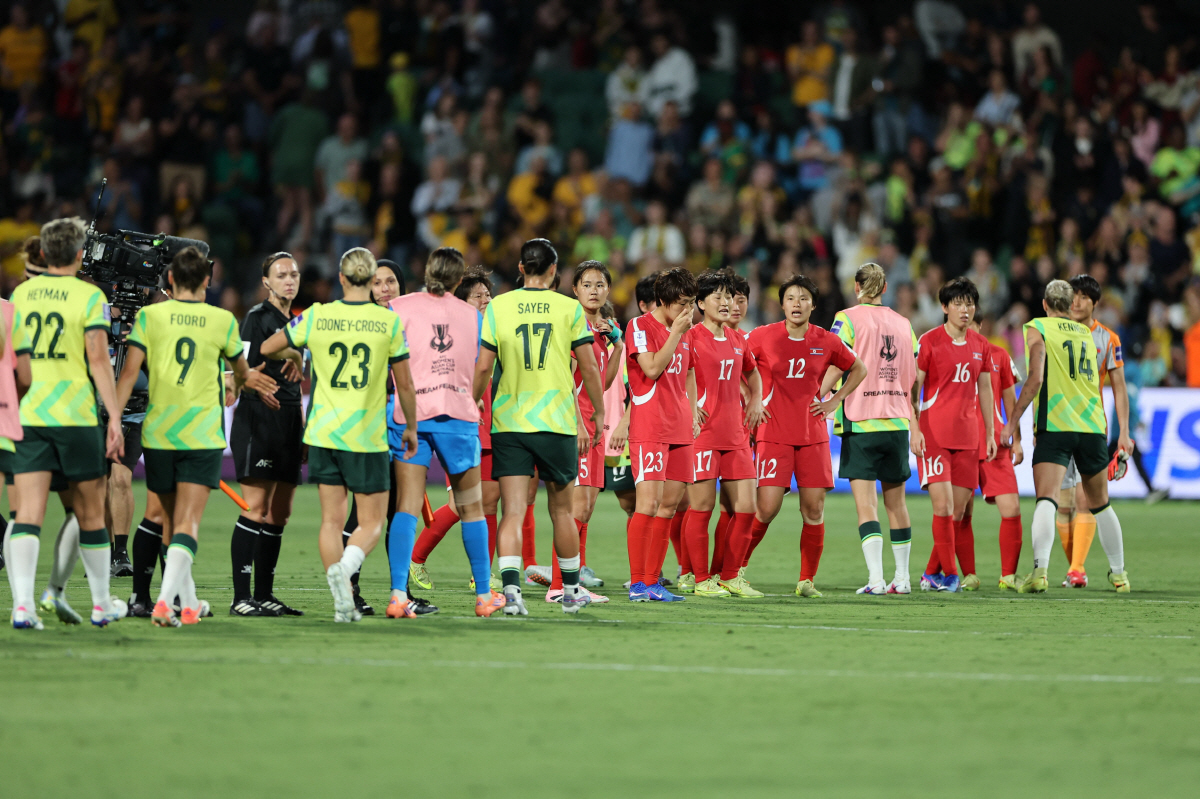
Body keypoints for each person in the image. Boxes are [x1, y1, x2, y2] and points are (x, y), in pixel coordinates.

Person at [115, 247, 276, 627]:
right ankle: (162, 602)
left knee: (161, 517)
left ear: (170, 279)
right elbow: (240, 371)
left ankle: (186, 603)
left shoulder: (150, 317)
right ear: (207, 280)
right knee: (186, 524)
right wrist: (237, 382)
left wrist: (112, 423)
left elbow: (128, 374)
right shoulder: (221, 320)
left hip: (158, 433)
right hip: (201, 434)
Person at [261, 248, 419, 622]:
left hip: (323, 432)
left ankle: (342, 600)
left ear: (343, 278)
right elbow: (406, 385)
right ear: (368, 280)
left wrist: (297, 356)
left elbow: (269, 346)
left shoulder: (317, 316)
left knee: (331, 521)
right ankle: (345, 570)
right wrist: (411, 427)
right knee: (372, 523)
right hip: (366, 434)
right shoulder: (388, 323)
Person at [472, 239, 604, 615]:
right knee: (562, 512)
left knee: (513, 510)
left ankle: (512, 595)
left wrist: (473, 398)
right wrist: (598, 411)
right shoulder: (568, 308)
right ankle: (572, 592)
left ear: (520, 267)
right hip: (557, 422)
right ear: (553, 270)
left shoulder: (498, 307)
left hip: (510, 422)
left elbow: (483, 366)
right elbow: (590, 366)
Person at [8, 218, 124, 630]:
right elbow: (97, 359)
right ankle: (99, 604)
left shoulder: (21, 294)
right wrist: (112, 416)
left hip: (31, 415)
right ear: (78, 254)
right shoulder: (89, 296)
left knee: (28, 514)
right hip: (74, 415)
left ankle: (21, 605)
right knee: (90, 513)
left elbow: (17, 361)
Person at [386, 248, 504, 618]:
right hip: (457, 415)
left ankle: (397, 595)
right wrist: (472, 399)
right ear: (457, 280)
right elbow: (480, 365)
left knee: (406, 506)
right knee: (472, 507)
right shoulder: (474, 315)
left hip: (411, 416)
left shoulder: (399, 307)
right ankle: (484, 596)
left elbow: (389, 357)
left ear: (426, 273)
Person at [1001, 280, 1130, 594]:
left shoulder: (1038, 328)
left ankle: (1040, 572)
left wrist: (1012, 421)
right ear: (1070, 304)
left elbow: (1035, 378)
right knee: (1101, 505)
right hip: (1091, 426)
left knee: (1047, 499)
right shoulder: (1087, 334)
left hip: (1056, 425)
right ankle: (1119, 574)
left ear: (1044, 305)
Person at [747, 274, 865, 598]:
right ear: (781, 303)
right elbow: (739, 364)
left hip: (812, 434)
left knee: (813, 510)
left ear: (813, 304)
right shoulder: (762, 336)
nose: (796, 304)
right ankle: (735, 571)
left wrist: (834, 401)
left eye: (803, 299)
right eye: (790, 298)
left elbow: (859, 369)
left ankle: (806, 580)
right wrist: (752, 399)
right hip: (773, 433)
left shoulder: (826, 340)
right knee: (767, 508)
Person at [824, 262, 919, 596]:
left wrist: (820, 394)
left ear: (856, 286)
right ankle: (904, 579)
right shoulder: (904, 324)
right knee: (898, 505)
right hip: (896, 422)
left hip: (861, 420)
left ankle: (877, 580)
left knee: (867, 506)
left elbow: (839, 360)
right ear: (885, 287)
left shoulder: (847, 318)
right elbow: (914, 374)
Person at [408, 266, 502, 593]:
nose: (486, 300)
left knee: (488, 500)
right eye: (479, 295)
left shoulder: (492, 329)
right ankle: (415, 557)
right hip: (460, 420)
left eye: (488, 295)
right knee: (463, 504)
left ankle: (482, 574)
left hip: (492, 421)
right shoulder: (453, 333)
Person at [227, 252, 305, 617]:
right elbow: (237, 371)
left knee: (279, 514)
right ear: (266, 283)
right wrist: (251, 384)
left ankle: (264, 594)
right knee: (255, 509)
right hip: (259, 419)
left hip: (289, 421)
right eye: (281, 275)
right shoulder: (256, 320)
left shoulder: (296, 323)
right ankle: (241, 597)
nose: (289, 280)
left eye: (293, 274)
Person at [682, 270, 765, 598]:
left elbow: (753, 373)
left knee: (746, 507)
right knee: (702, 508)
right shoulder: (690, 337)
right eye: (717, 296)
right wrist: (689, 409)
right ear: (700, 303)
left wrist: (756, 399)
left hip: (736, 435)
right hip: (703, 434)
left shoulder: (738, 339)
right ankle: (699, 577)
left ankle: (730, 577)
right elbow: (677, 377)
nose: (726, 302)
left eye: (728, 296)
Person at [911, 277, 996, 594]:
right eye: (958, 303)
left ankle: (930, 574)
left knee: (958, 512)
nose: (965, 309)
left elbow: (985, 389)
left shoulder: (981, 345)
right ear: (945, 307)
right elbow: (913, 388)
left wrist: (988, 431)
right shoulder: (930, 341)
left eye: (969, 303)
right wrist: (914, 427)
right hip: (934, 435)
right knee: (943, 507)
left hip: (967, 437)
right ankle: (949, 574)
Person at [544, 261, 623, 603]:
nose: (594, 290)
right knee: (572, 509)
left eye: (600, 284)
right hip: (575, 425)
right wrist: (577, 423)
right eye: (587, 284)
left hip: (593, 424)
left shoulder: (603, 330)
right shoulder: (572, 326)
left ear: (607, 289)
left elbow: (601, 384)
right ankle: (559, 586)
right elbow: (565, 381)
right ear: (574, 290)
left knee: (586, 507)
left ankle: (571, 582)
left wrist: (617, 345)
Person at [1054, 275, 1134, 588]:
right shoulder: (1055, 333)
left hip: (1090, 428)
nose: (1076, 302)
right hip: (1058, 425)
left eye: (1084, 297)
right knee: (1063, 505)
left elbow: (1120, 389)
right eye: (1073, 296)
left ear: (1095, 303)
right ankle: (1076, 567)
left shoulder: (1108, 339)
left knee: (1088, 500)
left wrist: (1123, 431)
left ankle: (1076, 569)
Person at [625, 267, 698, 603]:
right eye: (683, 303)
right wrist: (676, 333)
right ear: (665, 301)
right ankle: (637, 583)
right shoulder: (639, 326)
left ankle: (653, 582)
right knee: (648, 504)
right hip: (650, 427)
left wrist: (693, 409)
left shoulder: (686, 329)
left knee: (669, 507)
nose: (689, 310)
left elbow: (689, 373)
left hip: (680, 427)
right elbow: (651, 368)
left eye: (692, 303)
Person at [960, 319, 1025, 591]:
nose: (966, 325)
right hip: (960, 442)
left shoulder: (999, 354)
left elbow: (1010, 399)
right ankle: (967, 575)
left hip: (995, 443)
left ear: (980, 323)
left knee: (1012, 510)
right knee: (959, 513)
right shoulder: (946, 352)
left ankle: (1008, 575)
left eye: (971, 321)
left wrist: (1017, 439)